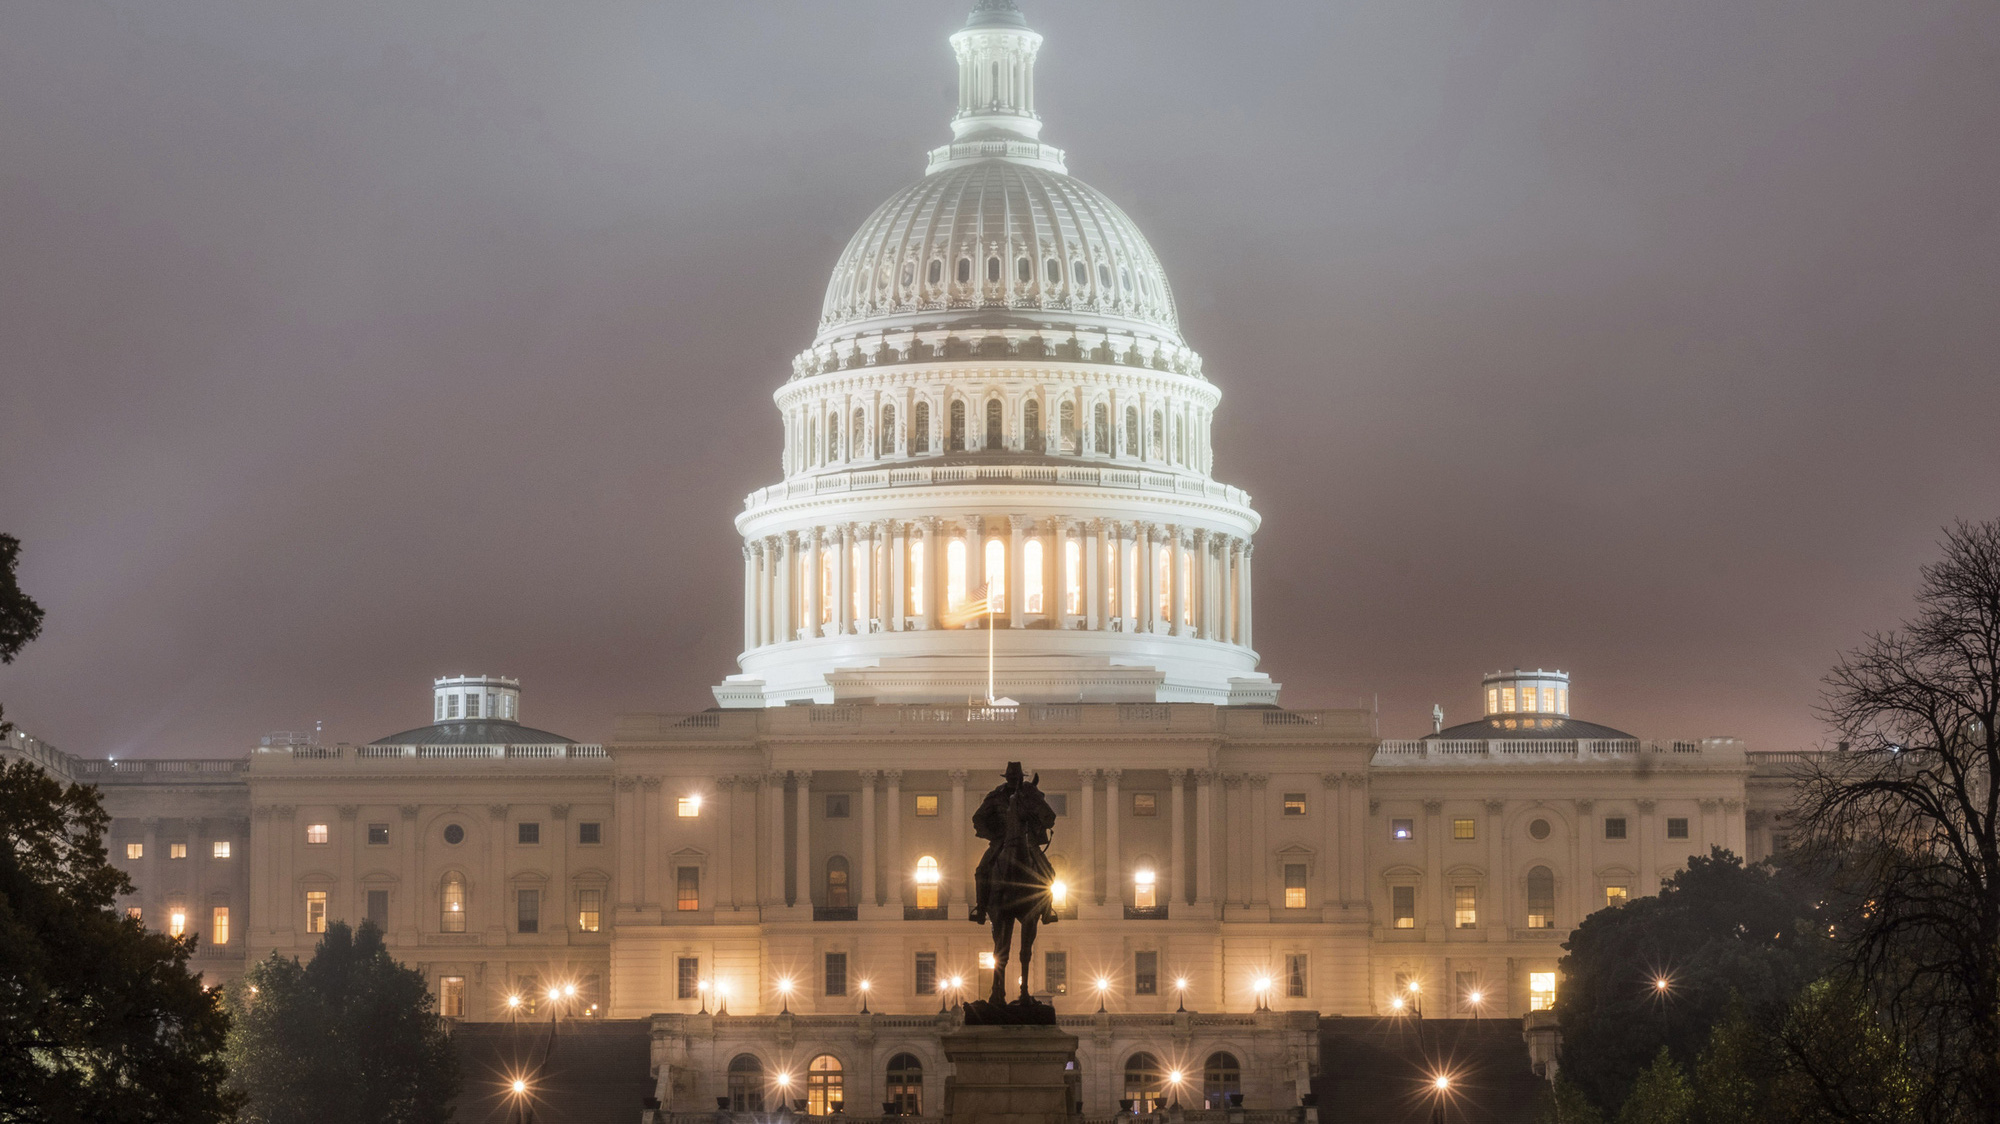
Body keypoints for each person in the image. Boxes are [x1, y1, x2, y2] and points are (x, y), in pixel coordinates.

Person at [969, 761, 1057, 926]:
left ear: (1021, 778)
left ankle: (1047, 909)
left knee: (1049, 872)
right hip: (1000, 842)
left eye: (1017, 778)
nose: (1014, 781)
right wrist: (993, 835)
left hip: (1028, 842)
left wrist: (1042, 824)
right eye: (1011, 778)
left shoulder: (1030, 794)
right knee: (982, 870)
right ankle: (981, 909)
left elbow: (1043, 811)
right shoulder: (996, 796)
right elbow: (978, 817)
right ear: (1007, 778)